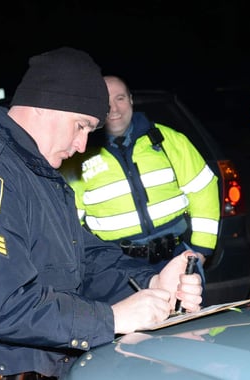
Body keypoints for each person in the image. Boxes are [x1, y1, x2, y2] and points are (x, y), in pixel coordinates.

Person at [0, 47, 203, 379]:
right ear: (45, 106)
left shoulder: (38, 174)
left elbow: (83, 259)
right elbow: (4, 306)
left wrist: (151, 281)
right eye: (81, 126)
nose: (81, 145)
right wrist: (112, 319)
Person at [60, 75, 220, 274]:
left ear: (131, 100)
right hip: (116, 269)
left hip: (177, 260)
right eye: (105, 102)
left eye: (120, 98)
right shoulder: (78, 154)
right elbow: (69, 222)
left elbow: (203, 190)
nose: (114, 109)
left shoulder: (168, 140)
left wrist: (200, 252)